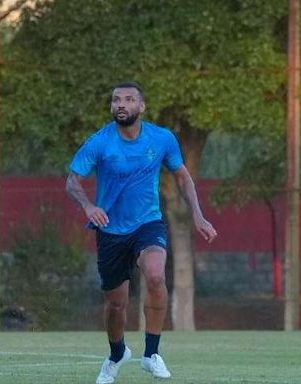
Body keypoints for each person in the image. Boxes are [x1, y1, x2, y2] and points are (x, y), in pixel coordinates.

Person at [65, 82, 217, 383]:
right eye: (116, 100)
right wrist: (88, 206)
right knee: (116, 303)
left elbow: (183, 178)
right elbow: (72, 181)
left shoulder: (162, 139)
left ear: (141, 107)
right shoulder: (99, 142)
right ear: (112, 107)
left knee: (156, 275)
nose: (122, 104)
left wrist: (198, 215)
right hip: (109, 229)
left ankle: (151, 354)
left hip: (148, 222)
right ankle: (117, 352)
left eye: (129, 99)